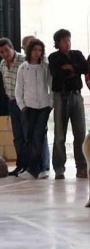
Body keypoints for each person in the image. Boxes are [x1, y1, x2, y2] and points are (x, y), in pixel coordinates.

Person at [47, 29, 89, 179]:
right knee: (59, 134)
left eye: (69, 40)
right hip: (60, 96)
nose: (68, 43)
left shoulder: (77, 54)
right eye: (64, 40)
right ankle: (59, 168)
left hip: (77, 95)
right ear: (58, 43)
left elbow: (86, 67)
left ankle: (82, 166)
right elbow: (56, 73)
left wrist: (70, 68)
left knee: (80, 133)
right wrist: (73, 69)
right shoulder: (53, 57)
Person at [14, 39, 52, 180]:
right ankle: (33, 168)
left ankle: (40, 168)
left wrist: (50, 104)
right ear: (29, 51)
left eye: (40, 50)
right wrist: (22, 106)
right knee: (30, 137)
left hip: (43, 107)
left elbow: (50, 85)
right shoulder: (23, 68)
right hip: (28, 108)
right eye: (35, 50)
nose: (37, 53)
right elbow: (19, 89)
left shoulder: (45, 67)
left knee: (39, 136)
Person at [0, 37, 27, 176]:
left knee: (27, 134)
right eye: (1, 52)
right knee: (17, 136)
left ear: (12, 48)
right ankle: (20, 165)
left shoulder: (23, 60)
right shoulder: (2, 64)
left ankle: (30, 166)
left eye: (7, 50)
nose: (5, 54)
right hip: (12, 102)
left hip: (24, 102)